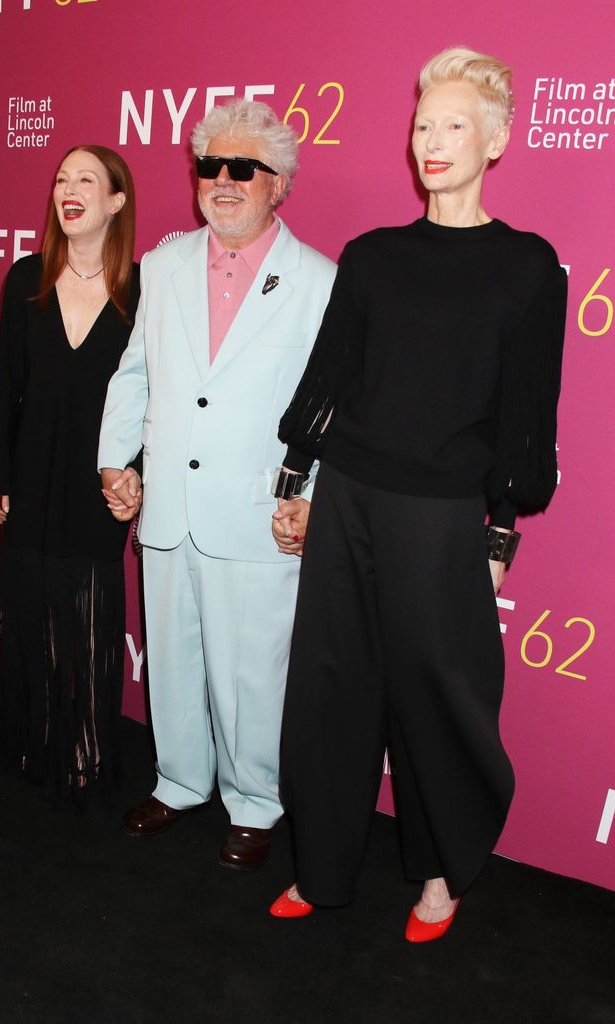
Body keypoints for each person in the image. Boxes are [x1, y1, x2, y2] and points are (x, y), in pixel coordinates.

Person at [269, 47, 567, 938]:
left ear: (497, 141)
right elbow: (331, 377)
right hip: (350, 496)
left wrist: (499, 536)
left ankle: (441, 875)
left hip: (441, 518)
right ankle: (323, 870)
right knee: (330, 689)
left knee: (439, 698)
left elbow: (525, 417)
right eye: (422, 124)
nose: (431, 141)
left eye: (453, 126)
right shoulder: (372, 256)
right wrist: (296, 480)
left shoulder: (528, 266)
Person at [98, 99, 335, 868]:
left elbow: (335, 407)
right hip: (169, 505)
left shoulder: (320, 281)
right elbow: (134, 376)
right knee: (170, 657)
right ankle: (179, 782)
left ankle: (255, 802)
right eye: (211, 167)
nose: (224, 181)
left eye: (244, 169)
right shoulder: (162, 267)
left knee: (251, 670)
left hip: (259, 512)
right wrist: (117, 461)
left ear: (280, 185)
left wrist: (307, 494)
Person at [0, 145, 140, 804]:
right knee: (30, 612)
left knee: (91, 617)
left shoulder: (142, 289)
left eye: (86, 180)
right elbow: (5, 386)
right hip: (29, 468)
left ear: (116, 201)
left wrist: (135, 478)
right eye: (61, 179)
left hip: (98, 483)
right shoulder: (25, 278)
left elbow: (153, 397)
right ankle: (30, 740)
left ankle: (89, 752)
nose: (68, 190)